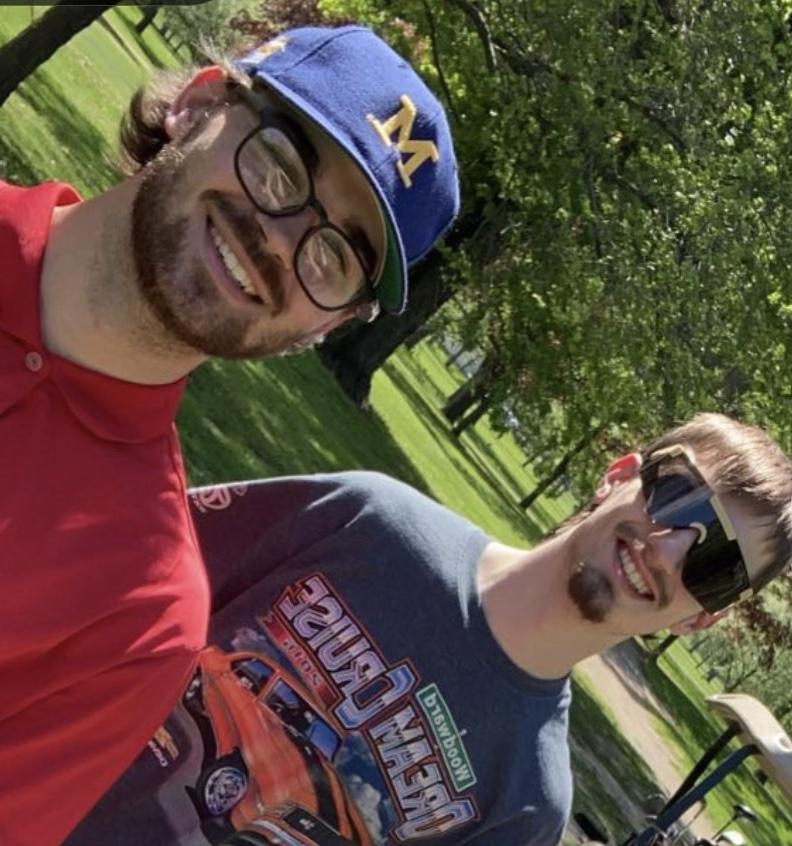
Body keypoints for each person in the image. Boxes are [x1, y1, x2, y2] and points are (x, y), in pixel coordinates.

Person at [0, 24, 459, 846]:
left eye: (332, 257)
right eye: (280, 166)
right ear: (198, 101)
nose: (280, 240)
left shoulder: (141, 614)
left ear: (328, 324)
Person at [67, 413, 792, 845]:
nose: (669, 550)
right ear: (619, 474)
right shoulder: (368, 519)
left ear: (700, 616)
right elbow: (102, 585)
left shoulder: (528, 803)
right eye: (681, 497)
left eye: (716, 565)